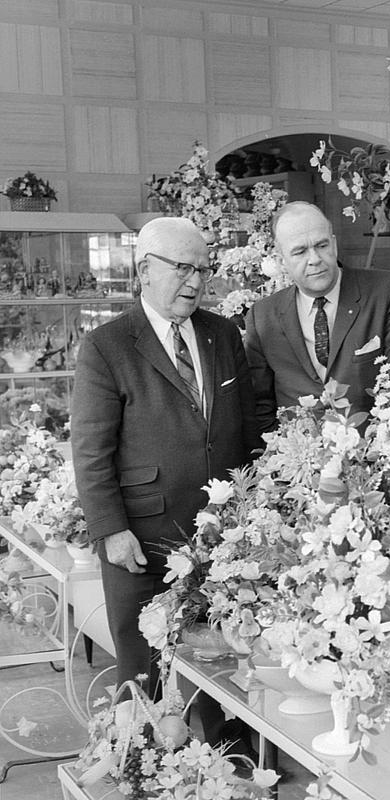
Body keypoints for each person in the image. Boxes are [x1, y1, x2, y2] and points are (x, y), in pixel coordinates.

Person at [71, 216, 260, 747]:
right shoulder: (107, 346)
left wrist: (250, 511)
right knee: (142, 666)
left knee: (225, 653)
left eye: (202, 268)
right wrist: (110, 529)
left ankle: (232, 757)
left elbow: (245, 427)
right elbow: (90, 450)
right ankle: (146, 763)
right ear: (144, 270)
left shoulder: (222, 333)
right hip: (142, 536)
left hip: (223, 537)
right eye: (183, 267)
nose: (196, 280)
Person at [244, 201, 390, 433]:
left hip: (374, 454)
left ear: (334, 244)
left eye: (321, 245)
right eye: (300, 251)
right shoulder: (263, 316)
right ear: (280, 258)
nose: (314, 258)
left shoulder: (387, 292)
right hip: (298, 459)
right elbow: (259, 405)